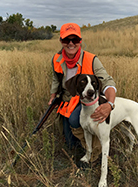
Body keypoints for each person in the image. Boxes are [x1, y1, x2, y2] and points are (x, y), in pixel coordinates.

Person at [48, 22, 116, 162]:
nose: (71, 43)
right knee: (69, 143)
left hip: (86, 100)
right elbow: (56, 79)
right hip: (68, 100)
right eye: (67, 40)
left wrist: (109, 104)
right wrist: (53, 96)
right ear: (61, 41)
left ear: (80, 41)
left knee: (74, 119)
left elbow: (108, 81)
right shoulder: (57, 59)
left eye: (75, 40)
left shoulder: (91, 59)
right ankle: (80, 147)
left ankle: (94, 154)